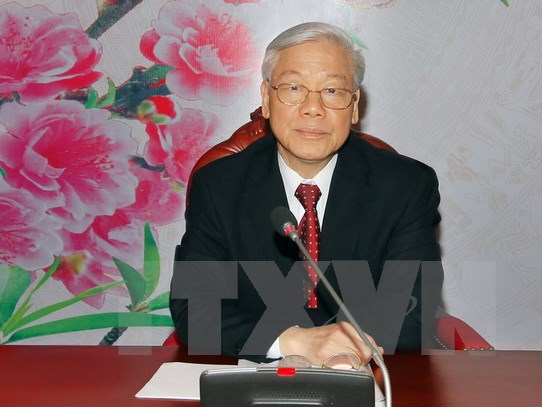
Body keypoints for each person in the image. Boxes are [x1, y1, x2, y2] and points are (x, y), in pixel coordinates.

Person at [170, 22, 443, 366]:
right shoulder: (218, 185)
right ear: (266, 99)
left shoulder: (407, 186)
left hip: (366, 376)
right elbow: (194, 310)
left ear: (354, 106)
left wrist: (338, 348)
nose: (313, 108)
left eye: (332, 90)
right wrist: (295, 342)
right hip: (253, 376)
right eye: (294, 88)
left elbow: (415, 312)